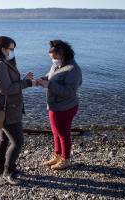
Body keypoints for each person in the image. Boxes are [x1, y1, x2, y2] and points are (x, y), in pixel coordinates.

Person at [0, 36, 35, 184]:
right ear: (2, 49)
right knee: (18, 142)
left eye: (13, 48)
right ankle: (8, 171)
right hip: (7, 109)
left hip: (2, 107)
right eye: (10, 49)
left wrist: (22, 80)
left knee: (4, 138)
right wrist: (27, 83)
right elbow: (6, 89)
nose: (12, 51)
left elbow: (6, 84)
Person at [37, 40, 82, 170]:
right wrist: (43, 80)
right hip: (55, 105)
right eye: (52, 58)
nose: (53, 60)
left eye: (55, 58)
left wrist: (49, 85)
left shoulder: (73, 69)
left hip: (65, 107)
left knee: (63, 134)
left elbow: (69, 91)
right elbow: (51, 76)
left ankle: (66, 159)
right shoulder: (59, 65)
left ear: (62, 54)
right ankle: (57, 155)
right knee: (55, 132)